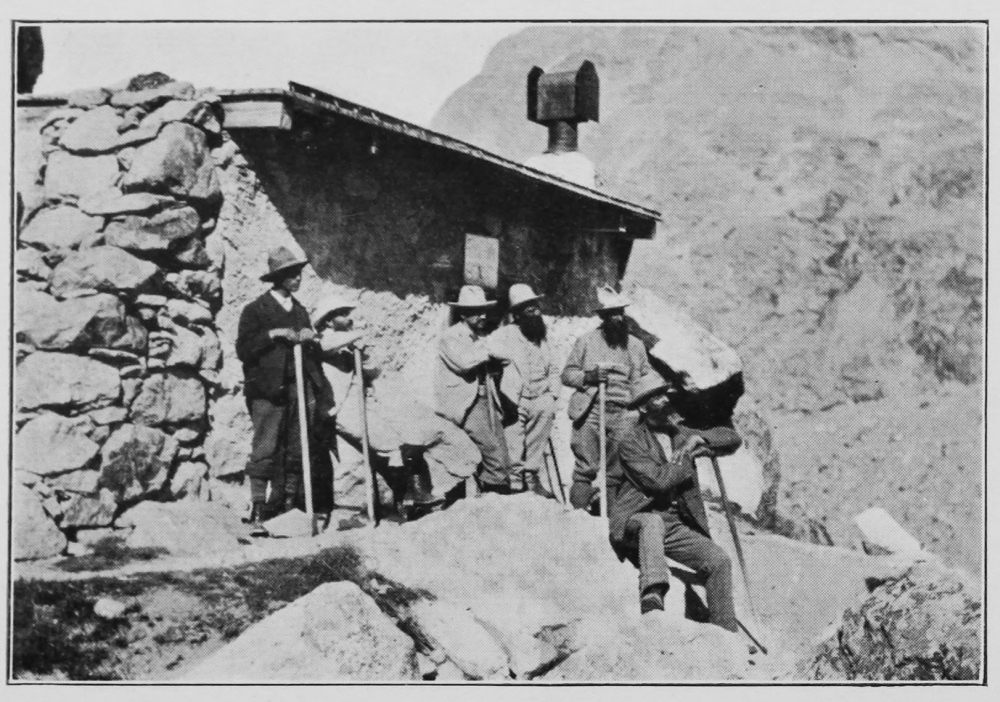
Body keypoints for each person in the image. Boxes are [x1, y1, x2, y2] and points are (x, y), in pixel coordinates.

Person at [608, 374, 741, 630]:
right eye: (656, 397)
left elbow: (731, 438)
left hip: (673, 526)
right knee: (653, 522)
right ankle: (653, 593)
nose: (665, 399)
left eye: (664, 394)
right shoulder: (631, 442)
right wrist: (687, 458)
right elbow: (657, 482)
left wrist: (699, 439)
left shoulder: (680, 434)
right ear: (644, 407)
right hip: (636, 520)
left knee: (719, 561)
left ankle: (726, 631)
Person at [235, 246, 333, 537]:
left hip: (298, 389)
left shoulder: (300, 311)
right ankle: (258, 509)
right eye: (291, 275)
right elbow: (244, 350)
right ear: (277, 278)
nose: (297, 279)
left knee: (296, 448)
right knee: (265, 449)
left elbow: (311, 350)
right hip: (268, 391)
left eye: (299, 273)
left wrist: (310, 337)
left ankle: (288, 507)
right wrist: (273, 334)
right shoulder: (256, 310)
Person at [313, 297, 438, 519]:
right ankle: (408, 497)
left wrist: (363, 352)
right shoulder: (325, 340)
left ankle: (400, 502)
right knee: (391, 444)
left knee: (371, 458)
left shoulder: (348, 346)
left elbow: (372, 370)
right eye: (343, 314)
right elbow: (326, 346)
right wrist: (359, 334)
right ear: (329, 321)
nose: (349, 318)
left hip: (361, 407)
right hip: (341, 410)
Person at [561, 287, 650, 510]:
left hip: (625, 414)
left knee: (617, 468)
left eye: (620, 312)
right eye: (612, 314)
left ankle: (610, 516)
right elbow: (567, 374)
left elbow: (646, 379)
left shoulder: (636, 345)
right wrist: (587, 377)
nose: (618, 318)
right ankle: (579, 515)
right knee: (585, 467)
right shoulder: (586, 342)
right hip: (591, 410)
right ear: (603, 317)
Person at [435, 285, 510, 494]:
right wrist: (488, 349)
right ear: (463, 314)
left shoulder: (478, 337)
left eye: (484, 311)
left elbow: (505, 357)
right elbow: (464, 362)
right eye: (476, 312)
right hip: (465, 403)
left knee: (501, 453)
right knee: (493, 453)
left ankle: (489, 496)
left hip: (486, 400)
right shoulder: (450, 337)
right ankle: (491, 500)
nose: (483, 316)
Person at [486, 283, 559, 498]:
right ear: (517, 314)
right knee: (514, 443)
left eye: (535, 306)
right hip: (516, 399)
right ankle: (515, 482)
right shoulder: (505, 334)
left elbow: (554, 368)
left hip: (542, 398)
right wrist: (504, 359)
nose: (534, 311)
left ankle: (531, 477)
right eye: (528, 308)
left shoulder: (543, 336)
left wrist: (553, 394)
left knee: (537, 442)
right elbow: (487, 348)